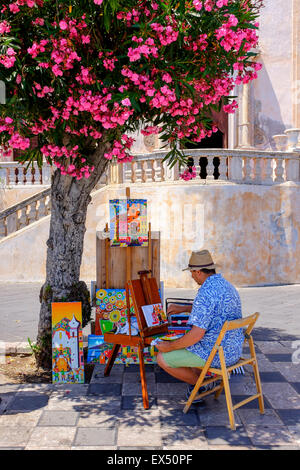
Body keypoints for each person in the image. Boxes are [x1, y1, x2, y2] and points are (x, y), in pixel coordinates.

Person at [156, 249, 244, 401]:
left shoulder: (205, 293)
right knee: (185, 344)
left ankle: (202, 384)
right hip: (233, 350)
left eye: (191, 272)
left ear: (197, 272)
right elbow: (213, 309)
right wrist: (184, 308)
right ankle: (199, 385)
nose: (191, 276)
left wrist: (169, 347)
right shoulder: (226, 285)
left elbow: (196, 335)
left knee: (162, 357)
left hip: (217, 355)